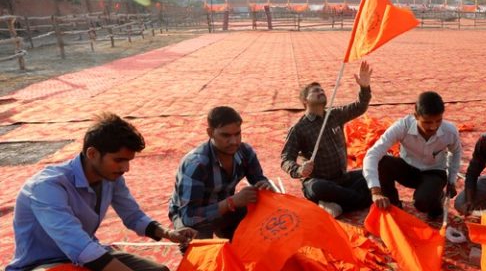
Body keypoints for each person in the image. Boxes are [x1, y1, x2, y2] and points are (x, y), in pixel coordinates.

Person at [6, 114, 195, 271]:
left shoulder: (110, 178)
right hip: (43, 264)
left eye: (128, 161)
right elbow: (81, 248)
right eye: (119, 160)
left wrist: (167, 233)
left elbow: (133, 216)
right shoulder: (47, 187)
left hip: (86, 256)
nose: (125, 168)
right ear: (93, 153)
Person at [280, 61, 373, 218]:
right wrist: (299, 170)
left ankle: (335, 204)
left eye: (322, 89)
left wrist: (364, 87)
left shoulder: (335, 115)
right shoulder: (299, 128)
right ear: (305, 101)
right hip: (319, 181)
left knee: (373, 172)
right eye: (315, 91)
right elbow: (285, 159)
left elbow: (360, 106)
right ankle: (363, 199)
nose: (321, 91)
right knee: (318, 188)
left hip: (343, 178)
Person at [169, 106, 272, 240]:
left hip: (225, 207)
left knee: (265, 223)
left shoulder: (245, 152)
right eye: (226, 135)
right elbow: (189, 216)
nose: (234, 141)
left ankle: (229, 233)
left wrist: (265, 186)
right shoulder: (196, 164)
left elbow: (259, 180)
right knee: (198, 248)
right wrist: (230, 203)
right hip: (193, 217)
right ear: (210, 133)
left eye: (237, 134)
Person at [363, 91, 461, 220]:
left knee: (423, 202)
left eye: (438, 121)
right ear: (416, 116)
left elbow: (456, 152)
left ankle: (437, 201)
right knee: (383, 162)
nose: (433, 127)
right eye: (427, 122)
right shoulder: (402, 126)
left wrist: (452, 180)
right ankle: (393, 204)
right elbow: (373, 154)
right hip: (408, 169)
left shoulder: (450, 131)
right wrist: (376, 191)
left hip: (434, 173)